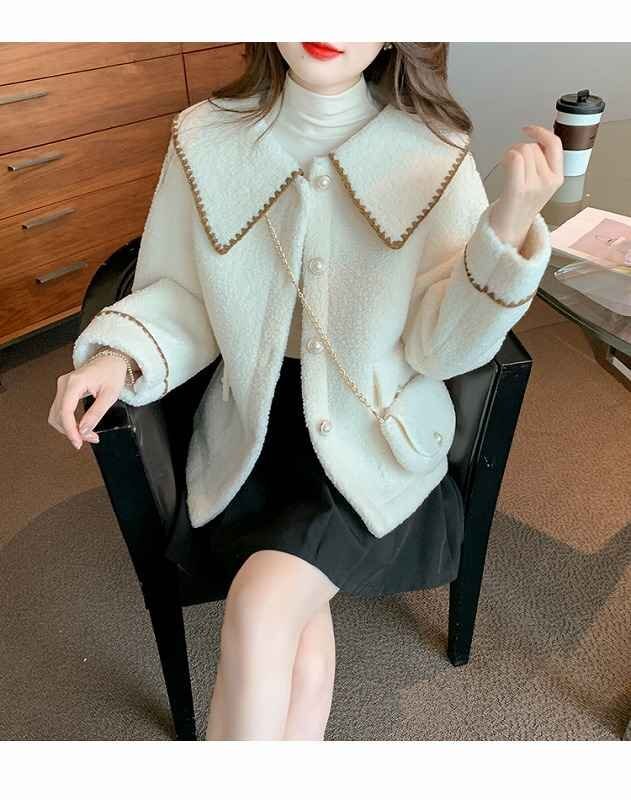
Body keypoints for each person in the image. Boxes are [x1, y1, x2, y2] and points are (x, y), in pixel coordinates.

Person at [48, 42, 563, 740]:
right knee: (297, 642)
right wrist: (118, 356)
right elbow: (182, 292)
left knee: (262, 611)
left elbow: (439, 350)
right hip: (248, 433)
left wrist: (507, 228)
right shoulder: (205, 137)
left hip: (371, 439)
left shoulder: (433, 150)